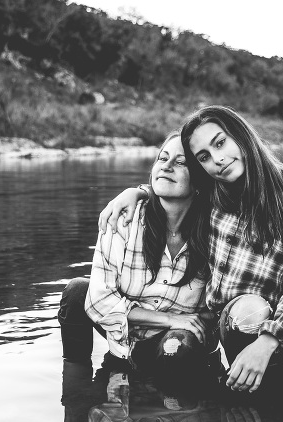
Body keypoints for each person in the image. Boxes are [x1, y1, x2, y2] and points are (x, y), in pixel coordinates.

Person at [99, 105, 283, 392]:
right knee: (251, 310)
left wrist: (268, 341)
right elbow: (173, 191)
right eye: (204, 157)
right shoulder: (213, 194)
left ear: (241, 134)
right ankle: (251, 393)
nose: (218, 160)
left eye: (220, 142)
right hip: (240, 317)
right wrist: (137, 193)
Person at [59, 132, 219, 375]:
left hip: (180, 339)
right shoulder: (124, 217)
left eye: (180, 162)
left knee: (176, 346)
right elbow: (100, 301)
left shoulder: (216, 229)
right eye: (162, 158)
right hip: (127, 334)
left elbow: (215, 307)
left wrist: (180, 325)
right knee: (77, 292)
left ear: (200, 180)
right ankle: (77, 389)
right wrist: (169, 319)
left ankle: (178, 407)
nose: (166, 166)